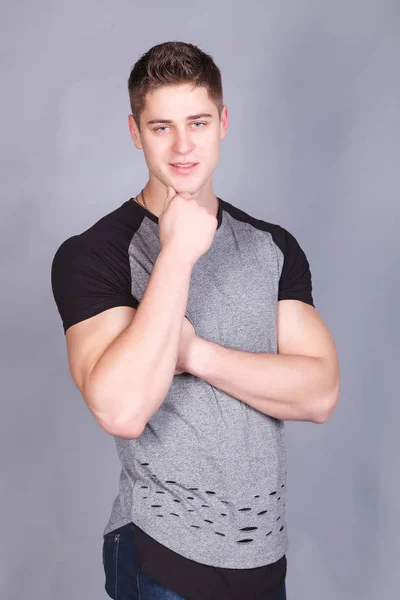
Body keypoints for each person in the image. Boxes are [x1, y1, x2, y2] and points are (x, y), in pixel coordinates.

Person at [51, 41, 339, 600]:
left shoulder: (271, 247)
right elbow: (122, 407)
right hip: (161, 552)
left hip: (264, 555)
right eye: (161, 127)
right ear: (135, 132)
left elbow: (319, 394)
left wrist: (197, 355)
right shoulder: (94, 254)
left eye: (198, 122)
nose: (183, 145)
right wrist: (177, 252)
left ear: (223, 122)